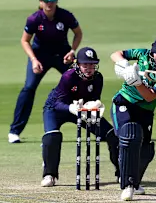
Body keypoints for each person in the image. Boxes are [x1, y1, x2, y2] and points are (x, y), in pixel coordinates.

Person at [8, 0, 83, 143]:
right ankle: (14, 131)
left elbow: (78, 33)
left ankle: (94, 126)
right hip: (40, 56)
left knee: (79, 82)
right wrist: (34, 59)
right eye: (46, 0)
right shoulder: (35, 19)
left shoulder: (65, 16)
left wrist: (72, 51)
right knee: (29, 88)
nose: (50, 3)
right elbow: (24, 40)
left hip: (62, 55)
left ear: (56, 1)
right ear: (41, 2)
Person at [110, 34, 156, 201]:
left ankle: (135, 180)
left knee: (146, 152)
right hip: (124, 102)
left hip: (145, 110)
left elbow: (149, 97)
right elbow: (116, 54)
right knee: (129, 138)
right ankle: (127, 185)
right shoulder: (142, 54)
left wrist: (137, 82)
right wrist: (124, 65)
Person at [40, 47, 119, 187]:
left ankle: (122, 173)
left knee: (111, 134)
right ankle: (49, 174)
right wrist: (72, 108)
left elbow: (94, 99)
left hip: (81, 110)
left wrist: (94, 107)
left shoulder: (98, 78)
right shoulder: (68, 76)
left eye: (92, 64)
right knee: (52, 136)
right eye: (85, 65)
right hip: (56, 109)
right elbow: (58, 103)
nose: (89, 68)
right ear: (77, 64)